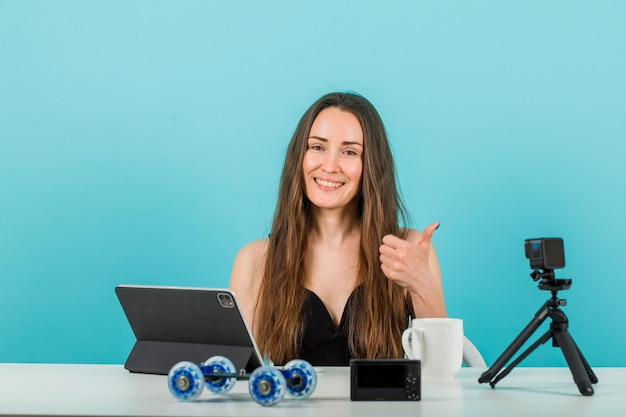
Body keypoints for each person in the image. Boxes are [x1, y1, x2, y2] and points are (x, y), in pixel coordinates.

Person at [229, 91, 447, 366]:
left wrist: (421, 285)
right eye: (317, 147)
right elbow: (238, 375)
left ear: (370, 166)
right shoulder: (256, 260)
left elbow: (440, 371)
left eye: (349, 152)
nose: (330, 166)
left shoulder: (408, 250)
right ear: (300, 156)